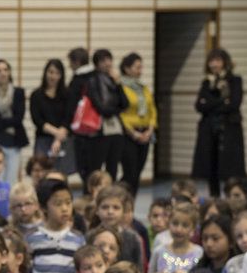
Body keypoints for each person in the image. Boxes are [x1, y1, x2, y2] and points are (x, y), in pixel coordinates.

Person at [68, 49, 128, 187]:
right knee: (94, 171)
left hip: (116, 131)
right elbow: (103, 108)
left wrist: (118, 84)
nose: (107, 63)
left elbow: (125, 103)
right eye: (103, 60)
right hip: (99, 132)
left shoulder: (114, 81)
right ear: (96, 64)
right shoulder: (92, 81)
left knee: (112, 170)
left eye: (109, 59)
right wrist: (116, 109)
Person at [192, 48, 246, 197]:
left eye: (217, 60)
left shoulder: (235, 80)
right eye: (211, 61)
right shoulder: (206, 82)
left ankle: (233, 198)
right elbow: (199, 105)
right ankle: (214, 198)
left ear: (225, 62)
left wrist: (210, 103)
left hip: (229, 129)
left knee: (230, 169)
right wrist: (221, 100)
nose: (214, 64)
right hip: (209, 130)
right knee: (211, 167)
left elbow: (234, 104)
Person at [118, 52, 157, 196]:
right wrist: (133, 133)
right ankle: (121, 199)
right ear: (127, 69)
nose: (140, 70)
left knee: (137, 173)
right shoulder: (121, 87)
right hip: (129, 133)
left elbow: (152, 109)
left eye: (141, 67)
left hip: (145, 131)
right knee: (130, 172)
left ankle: (131, 203)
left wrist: (150, 129)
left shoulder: (143, 87)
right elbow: (121, 112)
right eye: (137, 67)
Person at [29, 58, 75, 175]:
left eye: (57, 73)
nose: (53, 76)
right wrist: (56, 133)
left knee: (62, 174)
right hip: (43, 138)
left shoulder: (68, 94)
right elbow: (37, 120)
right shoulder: (36, 95)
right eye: (50, 72)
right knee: (42, 172)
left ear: (61, 76)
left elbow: (69, 117)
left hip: (63, 139)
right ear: (45, 73)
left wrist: (58, 138)